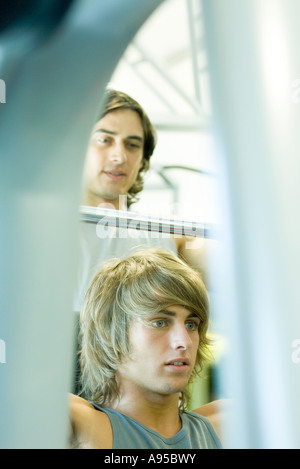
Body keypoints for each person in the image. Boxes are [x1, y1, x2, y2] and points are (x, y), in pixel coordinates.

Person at [70, 248, 225, 449]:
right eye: (160, 323)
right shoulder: (82, 426)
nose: (184, 341)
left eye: (191, 324)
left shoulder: (224, 424)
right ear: (111, 335)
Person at [74, 88, 212, 313]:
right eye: (104, 139)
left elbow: (244, 269)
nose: (119, 156)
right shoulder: (43, 233)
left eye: (132, 144)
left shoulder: (168, 233)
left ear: (142, 160)